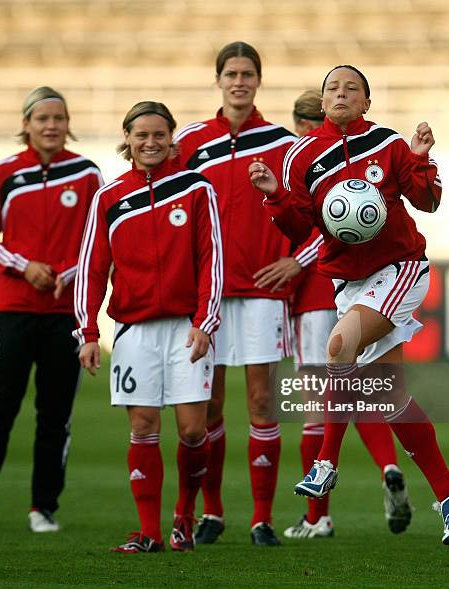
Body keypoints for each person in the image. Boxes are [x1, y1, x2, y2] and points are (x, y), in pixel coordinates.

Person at [249, 66, 449, 546]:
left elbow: (428, 200)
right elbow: (299, 226)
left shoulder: (387, 144)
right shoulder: (300, 156)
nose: (341, 94)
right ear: (323, 98)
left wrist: (419, 158)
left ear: (367, 102)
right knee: (387, 400)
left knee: (338, 346)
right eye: (333, 87)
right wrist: (274, 197)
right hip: (349, 284)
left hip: (400, 269)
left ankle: (324, 463)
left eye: (352, 88)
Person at [254, 89, 412, 540]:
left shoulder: (302, 162)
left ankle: (316, 515)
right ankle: (388, 467)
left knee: (315, 408)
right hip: (366, 294)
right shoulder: (341, 159)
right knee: (364, 397)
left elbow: (311, 230)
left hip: (320, 297)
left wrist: (293, 264)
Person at [0, 86, 104, 533]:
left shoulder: (87, 172)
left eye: (58, 118)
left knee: (54, 415)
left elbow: (100, 239)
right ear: (26, 124)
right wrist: (24, 267)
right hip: (13, 309)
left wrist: (71, 273)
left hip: (65, 315)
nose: (51, 126)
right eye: (42, 119)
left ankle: (43, 508)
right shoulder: (5, 172)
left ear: (68, 123)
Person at [74, 101, 223, 554]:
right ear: (128, 140)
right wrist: (89, 333)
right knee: (142, 426)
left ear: (172, 137)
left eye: (159, 134)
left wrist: (205, 321)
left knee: (194, 430)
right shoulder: (109, 197)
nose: (151, 142)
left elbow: (211, 259)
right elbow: (92, 269)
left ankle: (184, 515)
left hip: (186, 329)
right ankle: (150, 532)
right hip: (134, 330)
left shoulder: (196, 188)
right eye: (142, 135)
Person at [174, 41, 297, 546]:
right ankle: (214, 512)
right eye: (231, 73)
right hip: (209, 294)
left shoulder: (283, 142)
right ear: (218, 79)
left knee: (263, 400)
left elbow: (310, 212)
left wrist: (296, 259)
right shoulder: (190, 142)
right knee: (211, 403)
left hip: (263, 290)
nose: (240, 81)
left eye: (248, 73)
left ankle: (262, 518)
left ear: (259, 81)